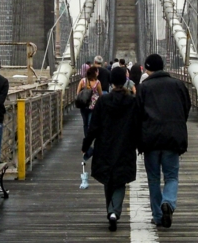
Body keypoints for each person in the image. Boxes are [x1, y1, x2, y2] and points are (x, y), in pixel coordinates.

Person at [82, 67, 141, 232]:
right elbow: (137, 125)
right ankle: (114, 211)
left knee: (108, 178)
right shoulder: (132, 101)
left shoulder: (103, 102)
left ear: (111, 82)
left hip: (105, 145)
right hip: (125, 146)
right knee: (120, 180)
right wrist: (140, 144)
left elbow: (94, 126)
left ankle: (111, 210)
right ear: (125, 80)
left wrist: (86, 145)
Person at [137, 53, 190, 228]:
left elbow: (137, 115)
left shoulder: (144, 88)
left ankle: (158, 217)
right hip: (172, 138)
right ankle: (168, 202)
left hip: (150, 139)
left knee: (153, 179)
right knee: (171, 177)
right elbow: (186, 108)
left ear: (147, 68)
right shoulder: (178, 85)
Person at [76, 67, 102, 189]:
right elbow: (101, 95)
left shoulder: (82, 81)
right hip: (93, 106)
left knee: (85, 123)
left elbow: (77, 93)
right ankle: (89, 138)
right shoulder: (97, 83)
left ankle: (87, 137)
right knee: (91, 123)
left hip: (83, 105)